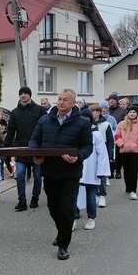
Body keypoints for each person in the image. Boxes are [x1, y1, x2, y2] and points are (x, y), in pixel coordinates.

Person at [29, 89, 93, 261]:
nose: (61, 102)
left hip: (70, 172)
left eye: (65, 99)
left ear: (73, 103)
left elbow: (88, 147)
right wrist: (36, 156)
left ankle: (63, 245)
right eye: (59, 99)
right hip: (49, 171)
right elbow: (34, 140)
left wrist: (77, 157)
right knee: (53, 207)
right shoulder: (45, 120)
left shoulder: (82, 123)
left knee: (66, 207)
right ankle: (61, 231)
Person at [4, 86, 46, 211]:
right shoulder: (15, 112)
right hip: (20, 148)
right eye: (21, 93)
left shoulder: (39, 110)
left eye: (25, 93)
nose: (23, 95)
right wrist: (6, 148)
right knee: (20, 175)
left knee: (37, 176)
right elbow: (10, 131)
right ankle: (21, 200)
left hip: (37, 149)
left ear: (30, 95)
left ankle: (35, 198)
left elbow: (46, 129)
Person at [75, 108, 111, 230]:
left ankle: (91, 218)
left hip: (91, 170)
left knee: (91, 195)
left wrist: (102, 172)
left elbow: (102, 155)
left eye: (87, 118)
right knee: (74, 194)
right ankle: (74, 217)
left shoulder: (96, 135)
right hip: (77, 169)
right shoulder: (75, 134)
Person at [114, 105, 138, 200]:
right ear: (127, 113)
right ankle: (128, 188)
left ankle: (133, 190)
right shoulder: (121, 124)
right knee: (126, 170)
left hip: (136, 151)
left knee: (134, 170)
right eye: (130, 112)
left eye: (134, 112)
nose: (132, 114)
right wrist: (121, 144)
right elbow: (116, 136)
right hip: (124, 150)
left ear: (137, 114)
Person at [92, 103, 114, 208]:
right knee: (92, 172)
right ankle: (95, 193)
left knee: (102, 173)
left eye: (93, 111)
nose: (91, 114)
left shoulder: (106, 124)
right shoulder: (87, 124)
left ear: (99, 112)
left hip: (103, 148)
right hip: (91, 149)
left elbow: (110, 141)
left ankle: (102, 195)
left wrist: (110, 155)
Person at [107, 93, 126, 179]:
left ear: (116, 101)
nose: (111, 100)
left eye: (113, 99)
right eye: (110, 99)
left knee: (118, 153)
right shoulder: (106, 110)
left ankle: (118, 170)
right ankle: (110, 171)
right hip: (107, 134)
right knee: (109, 153)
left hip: (118, 134)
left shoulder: (122, 110)